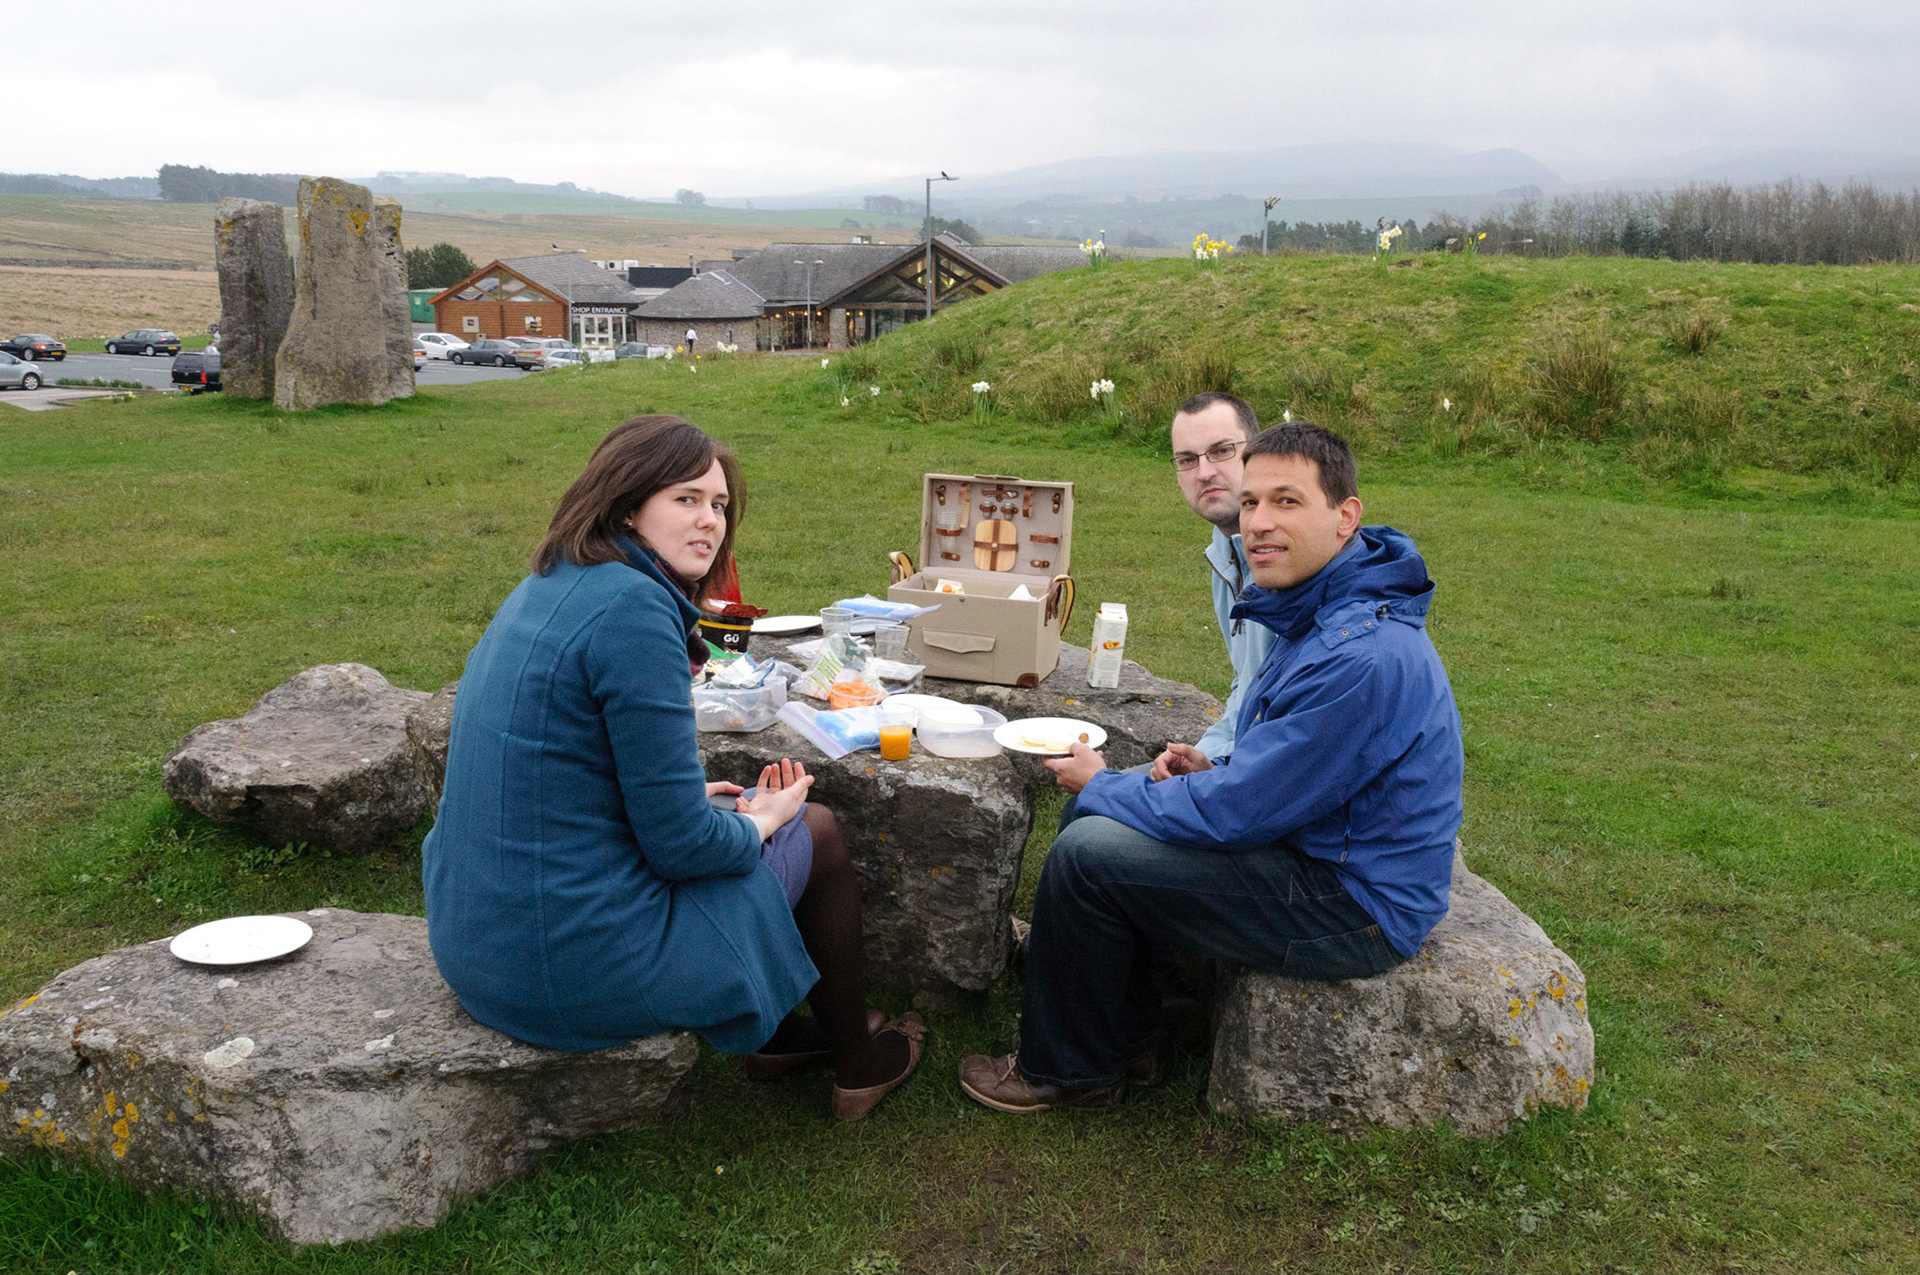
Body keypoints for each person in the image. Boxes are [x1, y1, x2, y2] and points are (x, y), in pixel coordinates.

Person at [424, 415, 924, 1122]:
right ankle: (857, 1062)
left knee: (753, 812)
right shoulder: (633, 610)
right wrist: (758, 824)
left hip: (476, 937)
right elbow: (681, 847)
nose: (709, 521)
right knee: (812, 826)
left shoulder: (554, 579)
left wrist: (694, 797)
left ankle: (780, 1038)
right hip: (562, 966)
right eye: (686, 499)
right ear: (628, 502)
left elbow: (564, 769)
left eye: (719, 505)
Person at [959, 422, 1464, 1112]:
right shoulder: (1329, 601)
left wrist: (1107, 780)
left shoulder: (1362, 655)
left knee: (1087, 851)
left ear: (1346, 517)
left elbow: (1238, 812)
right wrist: (1213, 763)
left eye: (1287, 502)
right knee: (1097, 813)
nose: (1258, 522)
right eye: (1252, 503)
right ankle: (1132, 1033)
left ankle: (1068, 1068)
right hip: (1321, 843)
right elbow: (1293, 760)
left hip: (1357, 902)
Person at [1159, 391, 1276, 772]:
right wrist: (1205, 753)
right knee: (1088, 804)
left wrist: (1216, 770)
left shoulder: (1283, 561)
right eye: (1187, 460)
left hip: (1277, 788)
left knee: (1090, 829)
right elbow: (1248, 685)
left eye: (1222, 451)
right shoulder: (1225, 554)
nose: (1204, 472)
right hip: (1239, 768)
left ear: (1255, 453)